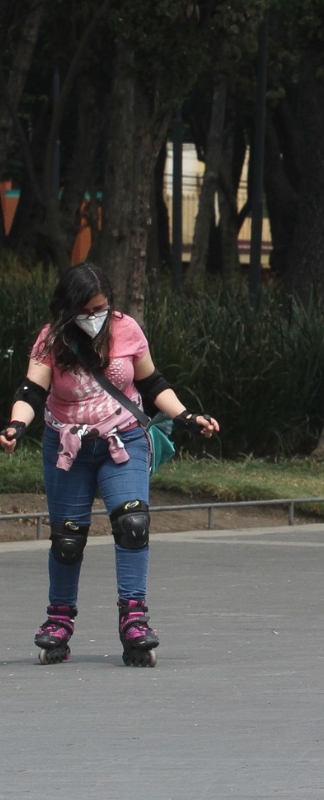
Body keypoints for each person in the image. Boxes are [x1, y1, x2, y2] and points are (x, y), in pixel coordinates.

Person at [0, 263, 219, 667]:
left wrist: (188, 417)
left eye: (102, 307)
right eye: (87, 310)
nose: (96, 316)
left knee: (133, 522)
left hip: (124, 439)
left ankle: (134, 619)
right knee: (67, 538)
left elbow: (153, 384)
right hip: (68, 445)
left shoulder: (126, 329)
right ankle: (58, 622)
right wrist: (16, 425)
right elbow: (31, 390)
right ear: (68, 308)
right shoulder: (52, 338)